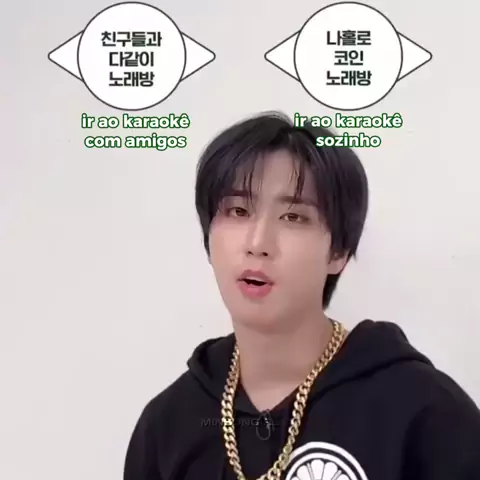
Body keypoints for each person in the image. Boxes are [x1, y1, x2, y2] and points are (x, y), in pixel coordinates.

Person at [123, 112, 480, 480]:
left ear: (338, 251)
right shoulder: (167, 426)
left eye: (294, 217)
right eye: (238, 211)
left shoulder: (424, 413)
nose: (258, 243)